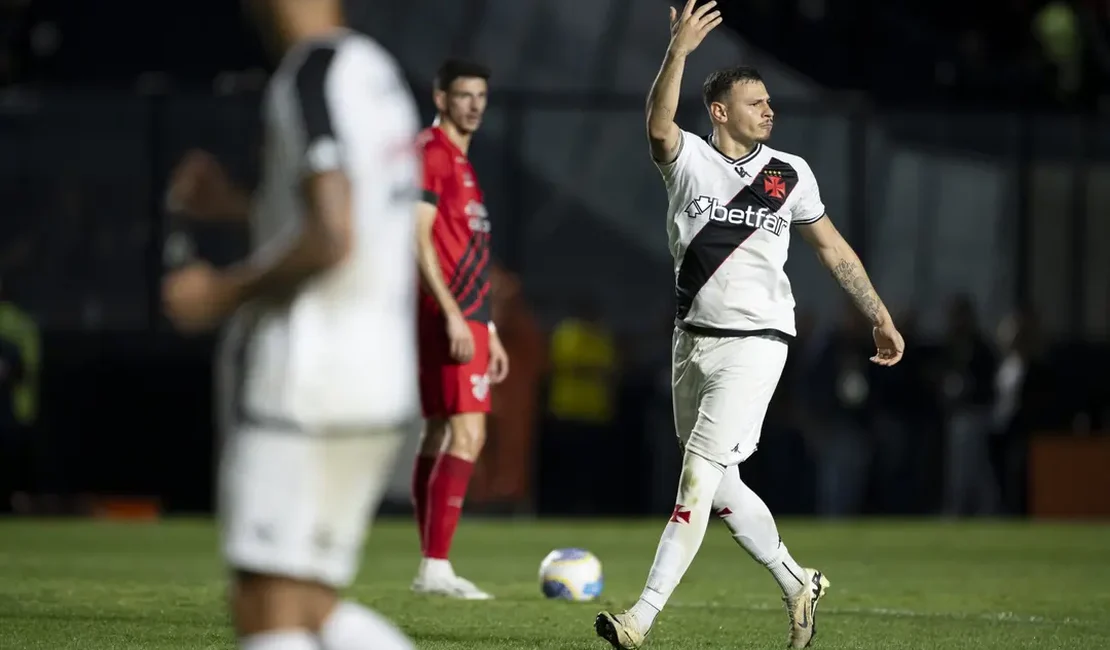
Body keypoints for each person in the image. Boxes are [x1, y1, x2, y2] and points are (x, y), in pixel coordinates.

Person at [594, 2, 905, 648]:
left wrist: (877, 313)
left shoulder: (787, 175)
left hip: (757, 344)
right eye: (755, 102)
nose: (769, 110)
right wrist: (677, 51)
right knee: (721, 484)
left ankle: (639, 619)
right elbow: (657, 128)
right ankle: (797, 581)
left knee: (697, 478)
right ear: (719, 112)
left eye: (769, 101)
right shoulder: (688, 164)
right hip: (691, 343)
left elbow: (834, 251)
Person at [161, 1, 421, 648]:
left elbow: (334, 235)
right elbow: (344, 210)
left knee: (264, 606)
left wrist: (220, 293)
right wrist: (237, 205)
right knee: (310, 606)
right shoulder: (377, 73)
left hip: (308, 375)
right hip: (379, 374)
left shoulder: (310, 76)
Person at [408, 58, 509, 600]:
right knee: (468, 433)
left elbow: (464, 250)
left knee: (439, 431)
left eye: (481, 95)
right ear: (441, 97)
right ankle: (435, 566)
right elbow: (417, 235)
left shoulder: (462, 164)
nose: (474, 104)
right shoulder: (432, 154)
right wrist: (451, 312)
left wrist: (487, 325)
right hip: (445, 312)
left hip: (467, 314)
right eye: (464, 95)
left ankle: (431, 565)